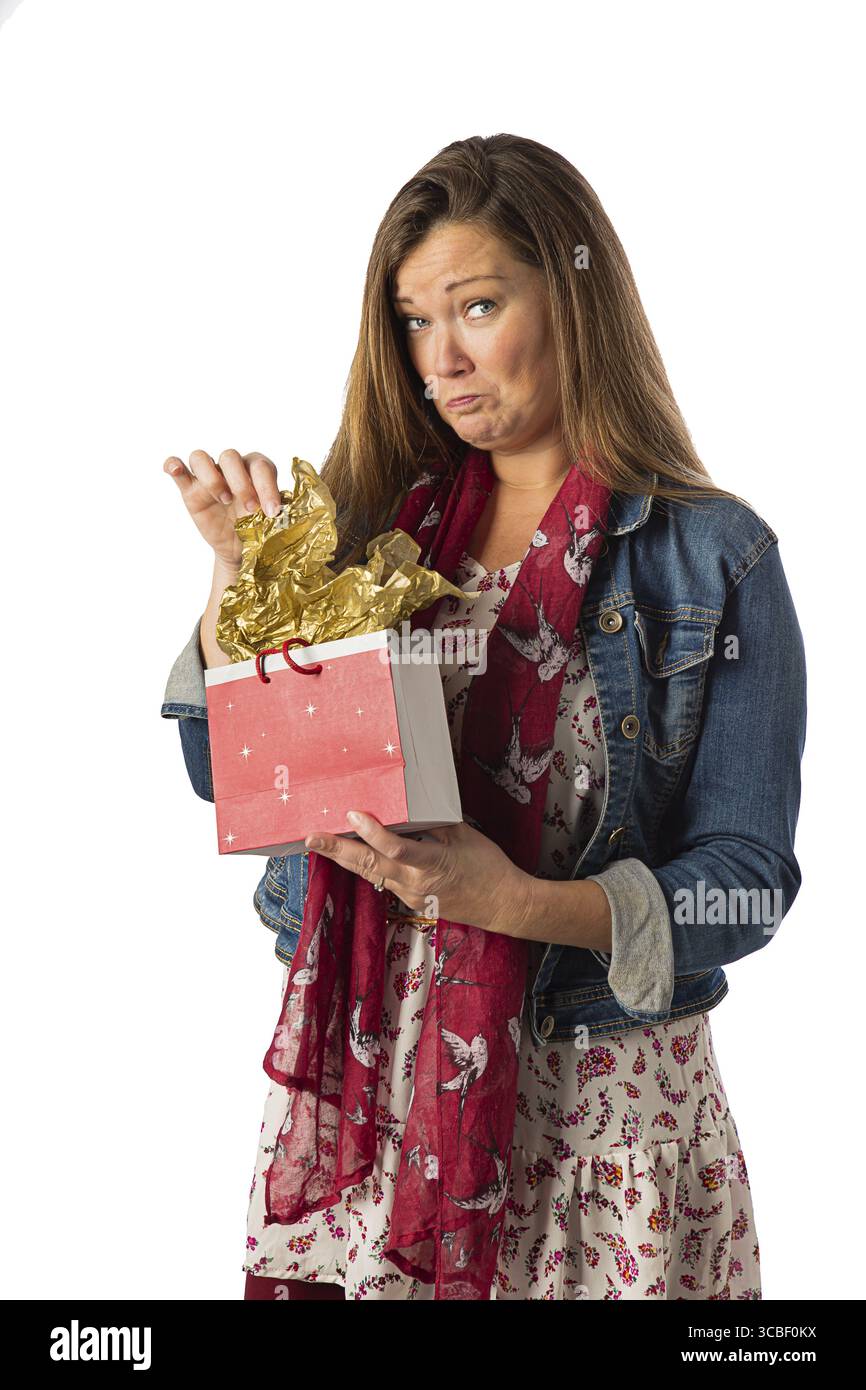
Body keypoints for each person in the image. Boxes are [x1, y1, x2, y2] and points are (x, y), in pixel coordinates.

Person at [161, 133, 806, 1300]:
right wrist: (238, 580)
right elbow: (228, 773)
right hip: (381, 1108)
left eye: (474, 305)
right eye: (412, 321)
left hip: (602, 1118)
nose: (439, 357)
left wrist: (515, 903)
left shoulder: (712, 559)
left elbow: (747, 880)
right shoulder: (371, 536)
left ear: (569, 294)